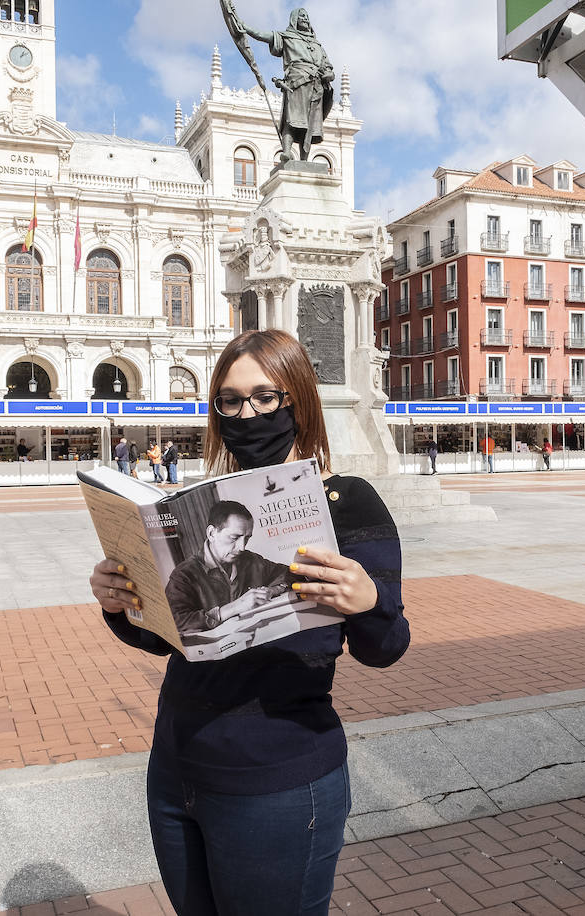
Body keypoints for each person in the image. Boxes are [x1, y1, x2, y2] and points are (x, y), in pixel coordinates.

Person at [88, 329, 409, 916]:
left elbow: (386, 647)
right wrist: (121, 603)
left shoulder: (350, 503)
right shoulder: (197, 508)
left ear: (298, 401)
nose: (248, 413)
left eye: (266, 397)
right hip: (177, 764)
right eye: (230, 401)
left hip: (278, 774)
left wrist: (368, 601)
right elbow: (165, 638)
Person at [165, 500, 294, 635]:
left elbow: (291, 575)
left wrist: (272, 590)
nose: (242, 547)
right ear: (211, 534)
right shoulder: (183, 575)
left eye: (247, 538)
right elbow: (175, 622)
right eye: (234, 537)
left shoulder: (252, 560)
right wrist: (235, 607)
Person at [238, 8, 335, 163]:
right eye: (301, 16)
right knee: (292, 120)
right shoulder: (287, 37)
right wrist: (246, 28)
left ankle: (305, 160)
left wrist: (329, 74)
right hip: (297, 83)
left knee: (309, 126)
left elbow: (328, 67)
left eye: (306, 16)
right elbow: (266, 36)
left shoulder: (317, 45)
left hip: (316, 87)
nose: (304, 18)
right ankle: (287, 152)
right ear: (294, 19)